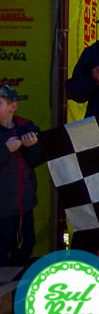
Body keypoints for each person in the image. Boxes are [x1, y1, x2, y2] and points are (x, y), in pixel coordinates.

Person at [0, 85, 44, 268]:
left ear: (13, 106)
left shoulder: (27, 128)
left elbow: (37, 161)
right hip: (2, 209)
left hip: (23, 207)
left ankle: (20, 284)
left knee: (24, 250)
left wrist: (32, 147)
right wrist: (5, 149)